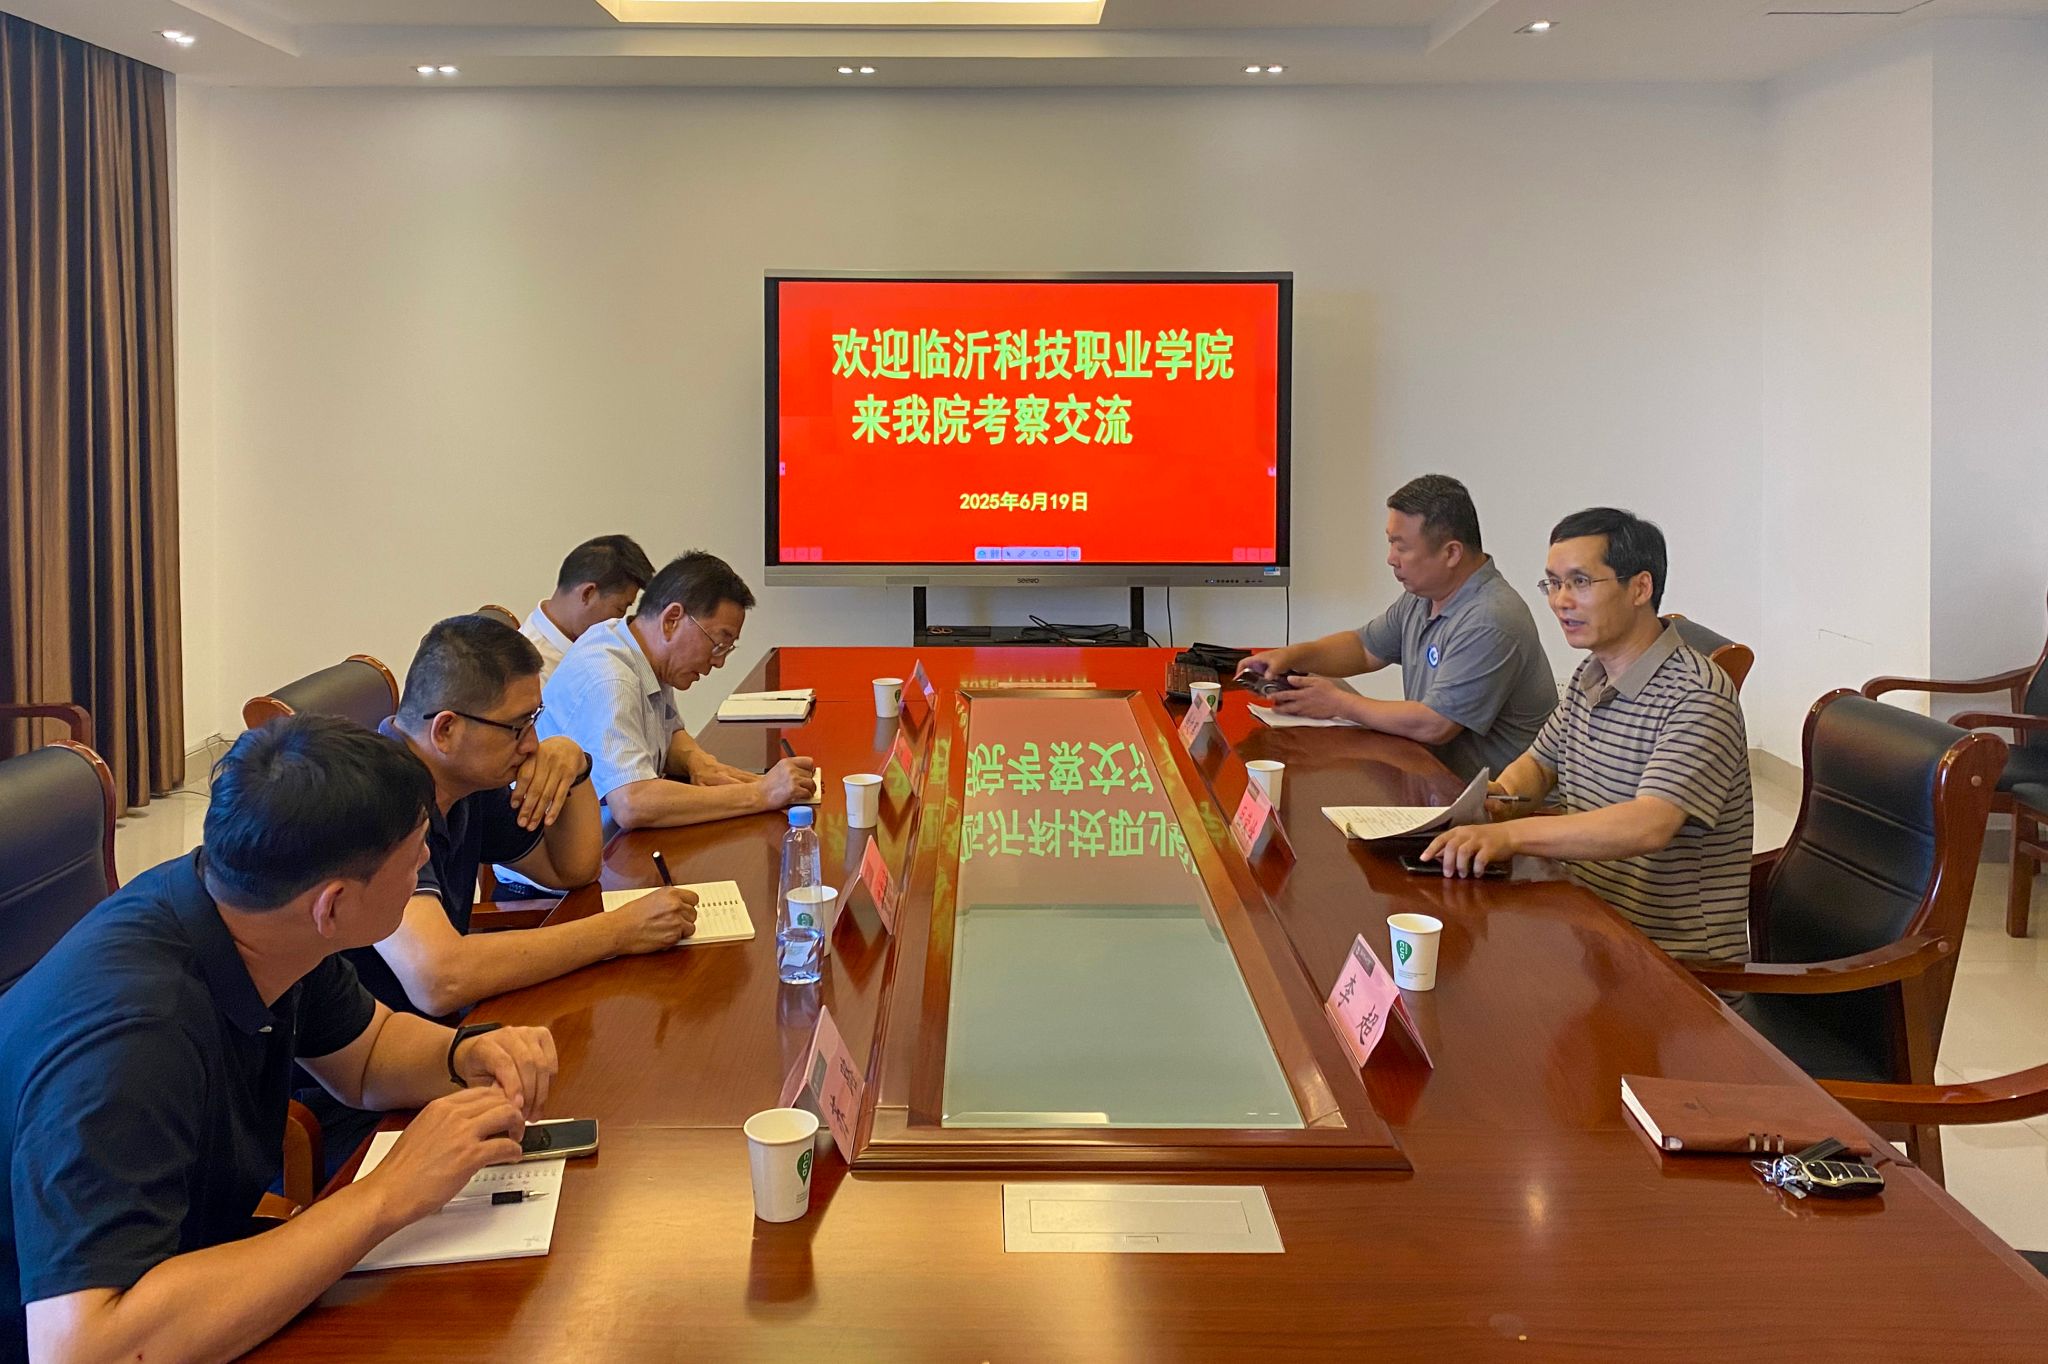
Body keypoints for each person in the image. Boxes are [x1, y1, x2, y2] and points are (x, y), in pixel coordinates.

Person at [0, 715, 559, 1361]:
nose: (427, 862)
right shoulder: (130, 1044)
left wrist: (464, 1054)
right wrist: (386, 1195)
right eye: (414, 856)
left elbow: (368, 1057)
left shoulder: (255, 911)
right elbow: (85, 1348)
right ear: (334, 905)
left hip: (185, 1279)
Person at [308, 617, 698, 1166]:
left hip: (442, 1050)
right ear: (446, 730)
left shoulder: (461, 780)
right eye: (518, 727)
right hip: (368, 1100)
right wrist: (618, 932)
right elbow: (439, 978)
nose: (531, 744)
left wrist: (574, 763)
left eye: (534, 722)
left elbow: (572, 867)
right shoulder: (380, 800)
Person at [1424, 507, 1753, 963]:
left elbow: (1649, 824)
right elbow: (1539, 765)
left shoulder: (1697, 695)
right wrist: (1497, 799)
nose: (1560, 601)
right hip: (1588, 927)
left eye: (1579, 582)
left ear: (1640, 588)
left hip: (1671, 964)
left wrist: (1513, 836)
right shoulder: (1591, 673)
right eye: (1552, 583)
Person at [1239, 474, 1557, 781]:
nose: (1391, 558)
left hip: (1503, 806)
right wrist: (1290, 656)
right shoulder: (1423, 597)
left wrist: (1339, 703)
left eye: (1401, 546)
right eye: (1390, 543)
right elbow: (1363, 648)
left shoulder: (1490, 619)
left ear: (1451, 553)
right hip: (1433, 780)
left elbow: (1436, 724)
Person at [538, 550, 817, 829]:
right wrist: (761, 793)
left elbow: (668, 733)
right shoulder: (610, 679)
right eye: (718, 644)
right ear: (672, 620)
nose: (719, 662)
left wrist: (699, 763)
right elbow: (632, 803)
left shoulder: (636, 644)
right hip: (578, 849)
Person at [520, 534, 657, 684]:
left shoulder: (595, 648)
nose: (619, 622)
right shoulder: (528, 671)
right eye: (620, 608)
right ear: (588, 593)